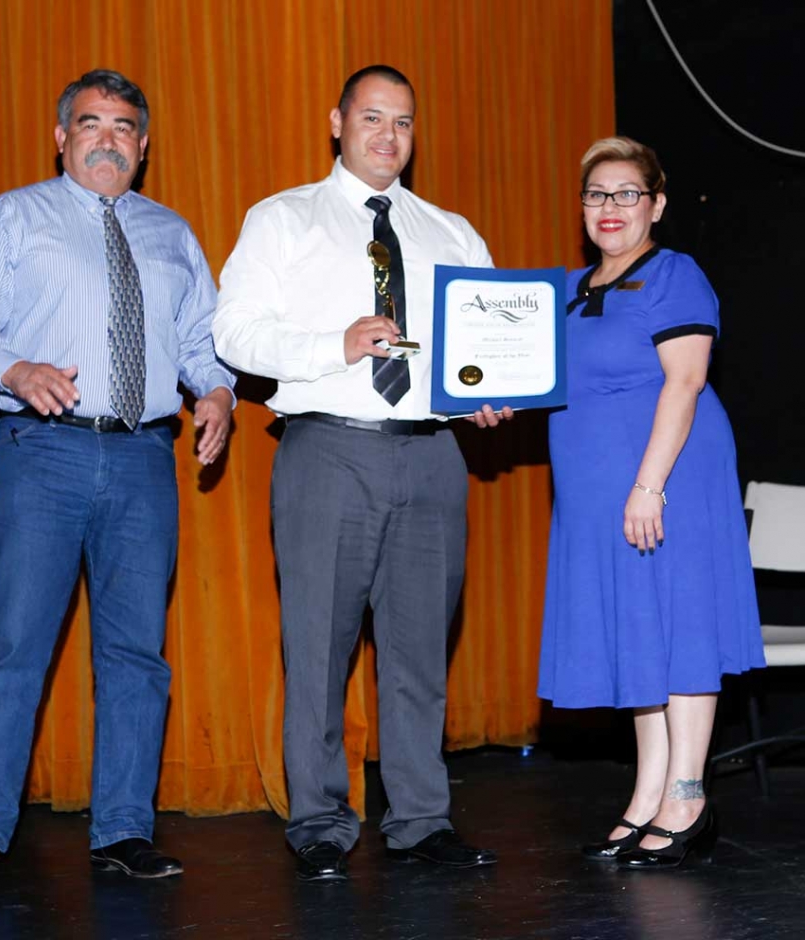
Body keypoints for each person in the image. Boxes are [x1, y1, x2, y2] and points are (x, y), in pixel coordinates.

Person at [0, 69, 235, 889]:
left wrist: (214, 391)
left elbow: (202, 338)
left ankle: (123, 832)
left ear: (144, 144)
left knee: (137, 655)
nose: (109, 138)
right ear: (62, 137)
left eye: (125, 126)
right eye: (91, 123)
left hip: (145, 458)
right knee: (14, 649)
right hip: (45, 454)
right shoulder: (15, 215)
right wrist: (16, 366)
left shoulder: (172, 231)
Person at [212, 65, 511, 883]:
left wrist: (489, 393)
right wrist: (331, 346)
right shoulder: (282, 219)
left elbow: (480, 347)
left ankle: (420, 820)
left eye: (404, 122)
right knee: (319, 645)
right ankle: (318, 818)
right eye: (373, 117)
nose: (388, 135)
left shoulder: (452, 231)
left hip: (433, 452)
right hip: (329, 448)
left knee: (419, 652)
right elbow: (233, 333)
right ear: (337, 122)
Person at [537, 137, 765, 869]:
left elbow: (686, 381)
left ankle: (689, 795)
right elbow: (533, 379)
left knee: (681, 626)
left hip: (668, 479)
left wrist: (648, 484)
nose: (610, 208)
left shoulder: (674, 274)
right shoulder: (568, 289)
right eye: (597, 194)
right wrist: (486, 399)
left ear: (657, 205)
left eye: (627, 193)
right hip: (598, 492)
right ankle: (647, 796)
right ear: (581, 207)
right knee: (640, 632)